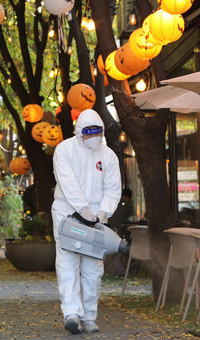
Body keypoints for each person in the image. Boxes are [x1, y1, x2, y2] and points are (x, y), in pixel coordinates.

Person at [51, 109, 121, 334]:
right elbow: (67, 181)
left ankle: (89, 315)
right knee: (68, 262)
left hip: (97, 217)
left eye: (97, 133)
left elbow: (113, 188)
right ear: (78, 132)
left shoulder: (108, 155)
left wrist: (103, 212)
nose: (93, 138)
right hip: (67, 213)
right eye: (88, 133)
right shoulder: (64, 150)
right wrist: (82, 209)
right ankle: (72, 313)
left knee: (93, 268)